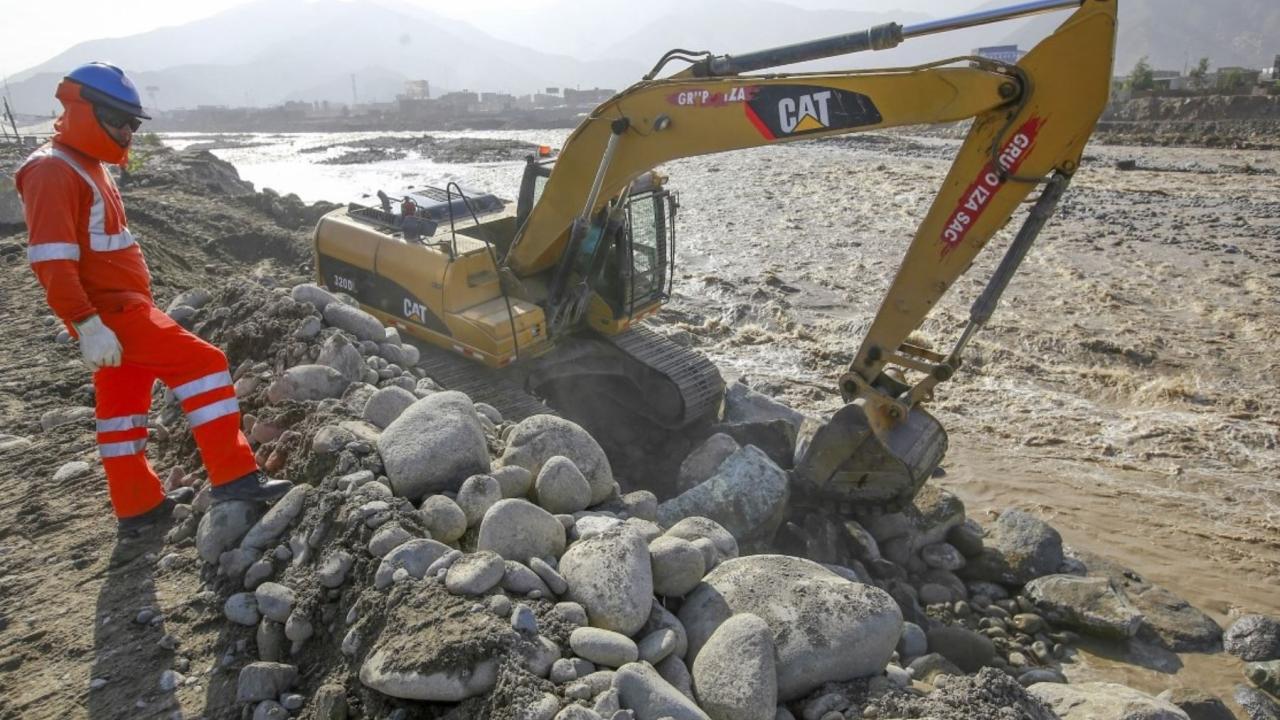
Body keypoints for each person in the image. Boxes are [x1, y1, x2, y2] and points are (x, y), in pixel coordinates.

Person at [14, 62, 292, 532]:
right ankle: (234, 476)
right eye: (119, 121)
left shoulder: (84, 164)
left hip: (118, 311)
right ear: (86, 110)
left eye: (133, 123)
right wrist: (86, 324)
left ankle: (137, 504)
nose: (127, 132)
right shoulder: (53, 171)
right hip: (112, 313)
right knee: (204, 365)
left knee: (121, 411)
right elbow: (51, 261)